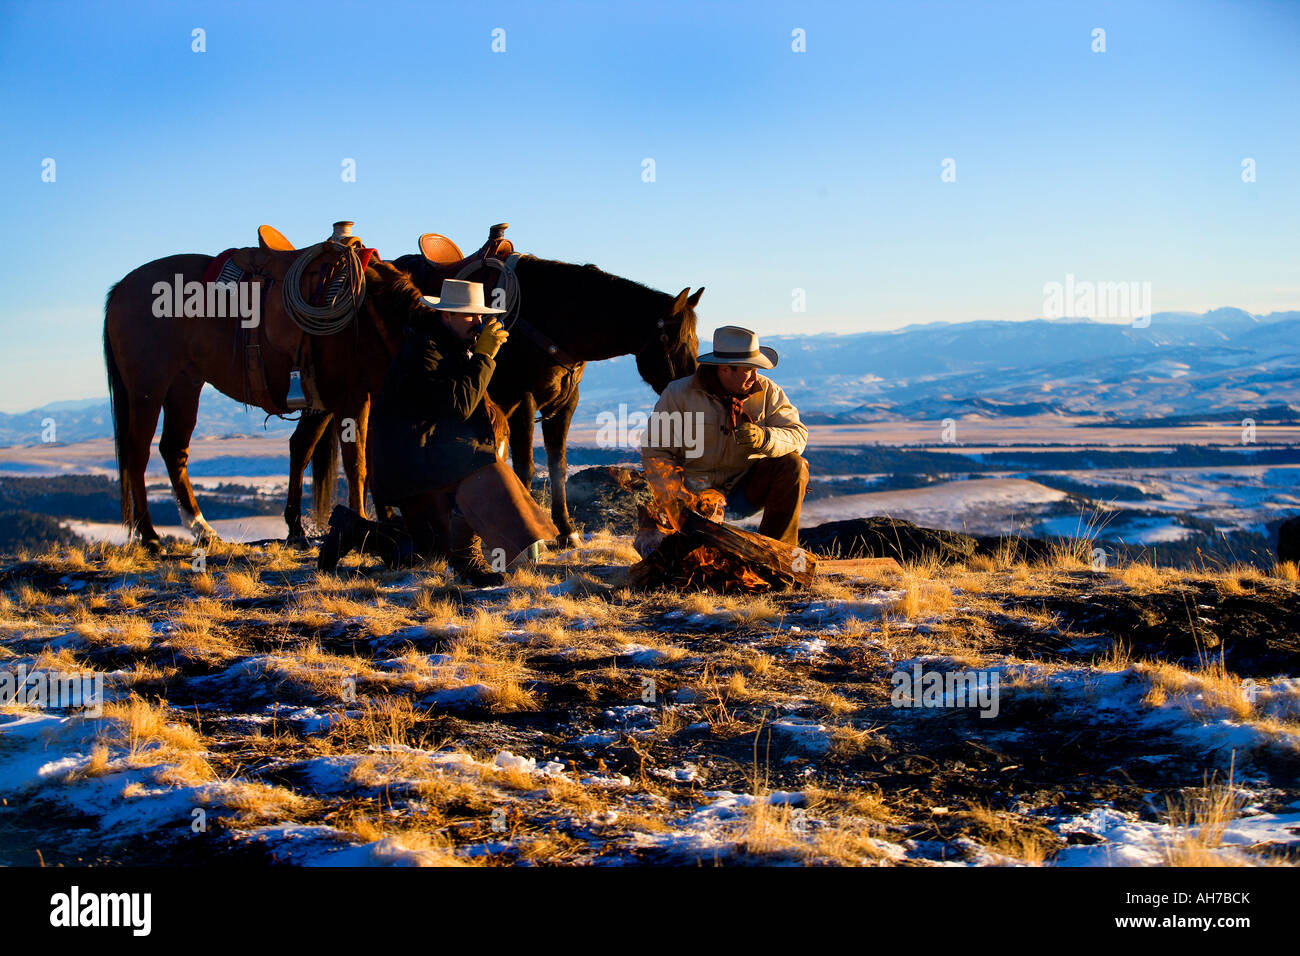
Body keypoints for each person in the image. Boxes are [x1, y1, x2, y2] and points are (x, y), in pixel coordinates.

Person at [318, 279, 557, 584]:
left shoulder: (450, 347)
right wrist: (485, 358)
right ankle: (466, 560)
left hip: (424, 457)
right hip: (412, 461)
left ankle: (354, 529)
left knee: (424, 553)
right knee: (482, 463)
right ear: (447, 316)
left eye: (480, 316)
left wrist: (480, 358)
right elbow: (459, 406)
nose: (479, 322)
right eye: (470, 315)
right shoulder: (425, 351)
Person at [640, 326, 809, 546]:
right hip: (692, 497)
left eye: (757, 368)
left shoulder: (768, 392)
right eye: (748, 369)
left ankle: (776, 551)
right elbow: (656, 451)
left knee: (794, 465)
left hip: (742, 493)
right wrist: (680, 499)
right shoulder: (678, 394)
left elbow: (798, 435)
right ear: (724, 368)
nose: (755, 376)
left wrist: (765, 439)